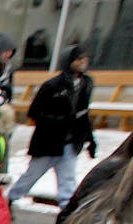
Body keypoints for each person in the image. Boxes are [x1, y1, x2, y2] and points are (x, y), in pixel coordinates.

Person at [7, 46, 95, 211]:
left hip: (71, 142)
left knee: (67, 180)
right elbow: (34, 111)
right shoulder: (53, 85)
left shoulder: (86, 84)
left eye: (85, 58)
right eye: (79, 59)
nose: (84, 62)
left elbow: (84, 114)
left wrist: (90, 139)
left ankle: (66, 213)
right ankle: (10, 199)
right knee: (32, 175)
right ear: (69, 61)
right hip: (48, 142)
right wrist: (58, 120)